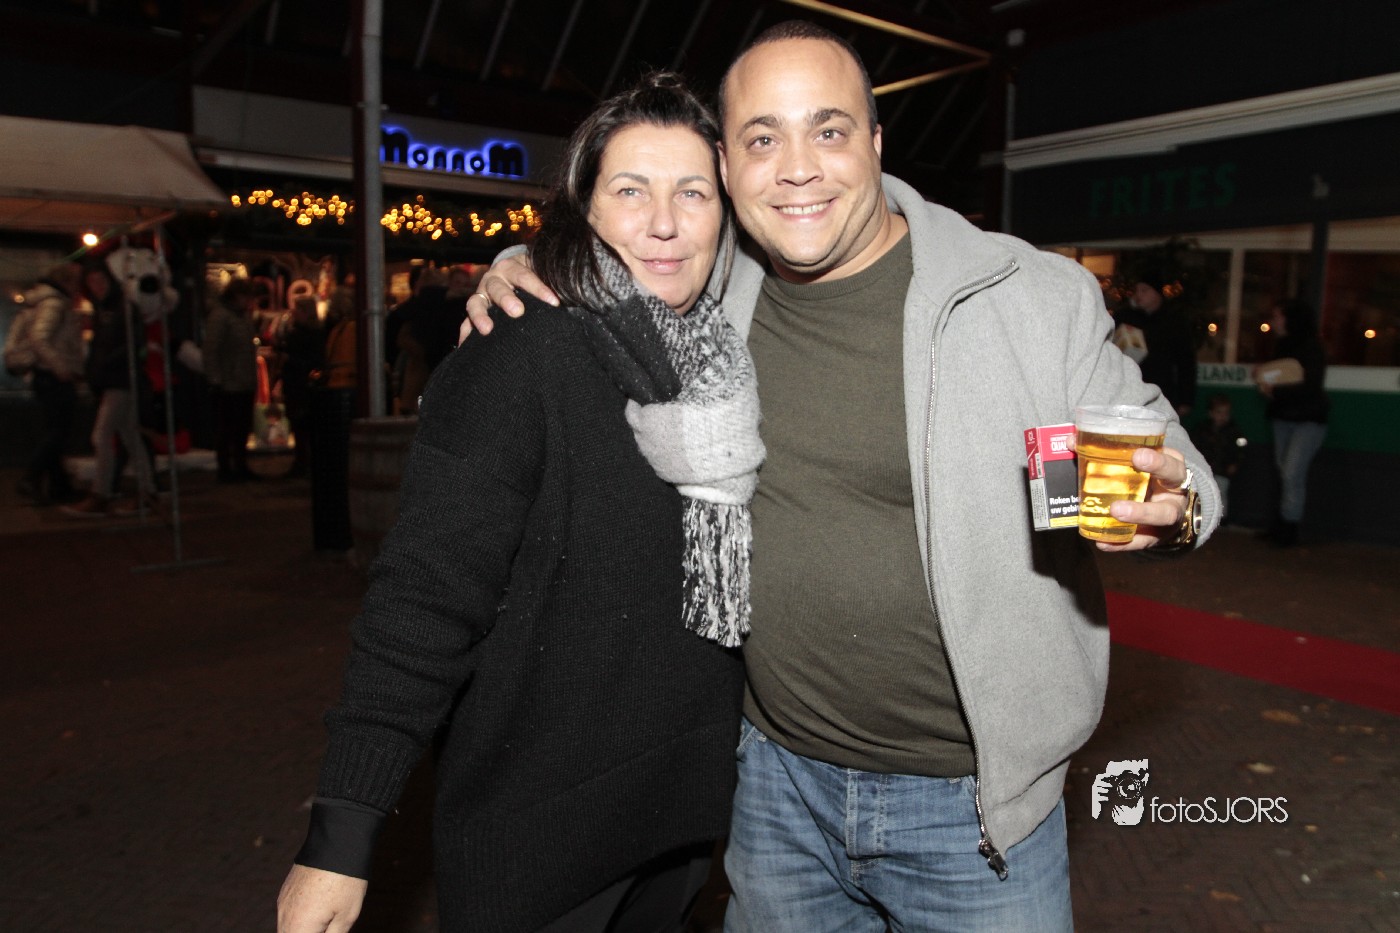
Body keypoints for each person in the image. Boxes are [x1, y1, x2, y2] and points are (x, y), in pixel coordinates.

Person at [466, 21, 1220, 932]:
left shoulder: (1023, 295)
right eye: (761, 139)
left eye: (827, 130)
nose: (797, 169)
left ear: (874, 142)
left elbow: (1180, 471)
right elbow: (615, 253)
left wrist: (1173, 508)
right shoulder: (717, 289)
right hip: (772, 788)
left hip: (974, 811)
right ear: (728, 167)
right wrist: (516, 269)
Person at [277, 72, 760, 933]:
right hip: (543, 839)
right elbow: (425, 594)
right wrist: (340, 835)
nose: (664, 221)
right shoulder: (519, 354)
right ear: (584, 208)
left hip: (679, 821)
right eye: (631, 190)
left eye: (693, 192)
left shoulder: (723, 366)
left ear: (724, 212)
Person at [63, 259, 160, 517]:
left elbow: (132, 345)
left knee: (103, 435)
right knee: (129, 435)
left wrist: (102, 365)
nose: (97, 286)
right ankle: (146, 491)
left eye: (100, 280)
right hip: (113, 379)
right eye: (92, 282)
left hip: (120, 380)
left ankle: (102, 493)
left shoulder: (121, 308)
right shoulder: (105, 310)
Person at [1256, 298, 1328, 547]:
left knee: (1291, 472)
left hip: (1307, 418)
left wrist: (1275, 391)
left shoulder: (1311, 348)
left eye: (1278, 316)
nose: (1274, 321)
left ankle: (1289, 528)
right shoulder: (1283, 346)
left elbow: (1309, 385)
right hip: (1284, 416)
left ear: (1290, 319)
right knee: (1285, 472)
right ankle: (1282, 525)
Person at [16, 262, 84, 505]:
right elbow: (40, 338)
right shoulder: (55, 303)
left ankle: (59, 486)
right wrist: (60, 367)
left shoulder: (42, 301)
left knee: (55, 431)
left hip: (45, 376)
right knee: (59, 432)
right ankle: (32, 477)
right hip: (53, 376)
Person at [1115, 267, 1198, 417]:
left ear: (1157, 293)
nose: (1139, 295)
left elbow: (1186, 362)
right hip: (1130, 391)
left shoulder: (1174, 322)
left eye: (1144, 290)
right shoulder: (1125, 317)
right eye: (1137, 290)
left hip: (1162, 393)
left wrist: (1185, 400)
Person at [203, 277, 259, 483]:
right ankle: (226, 468)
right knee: (227, 428)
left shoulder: (243, 317)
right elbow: (211, 350)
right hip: (228, 383)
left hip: (243, 381)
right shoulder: (221, 317)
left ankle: (240, 465)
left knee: (241, 428)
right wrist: (216, 379)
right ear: (236, 296)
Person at [274, 295, 324, 478]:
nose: (293, 313)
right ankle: (304, 461)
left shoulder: (308, 334)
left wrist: (290, 360)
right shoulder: (302, 332)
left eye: (297, 309)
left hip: (301, 384)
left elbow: (314, 361)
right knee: (300, 424)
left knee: (303, 424)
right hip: (297, 383)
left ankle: (304, 462)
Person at [1189, 394, 1246, 523]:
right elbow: (1193, 446)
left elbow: (1241, 448)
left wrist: (1235, 463)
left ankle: (1221, 519)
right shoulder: (1201, 430)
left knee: (1220, 493)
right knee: (1201, 493)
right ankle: (1200, 517)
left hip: (1223, 470)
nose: (1222, 416)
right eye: (1219, 412)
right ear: (1211, 413)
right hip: (1203, 470)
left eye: (1226, 413)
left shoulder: (1234, 431)